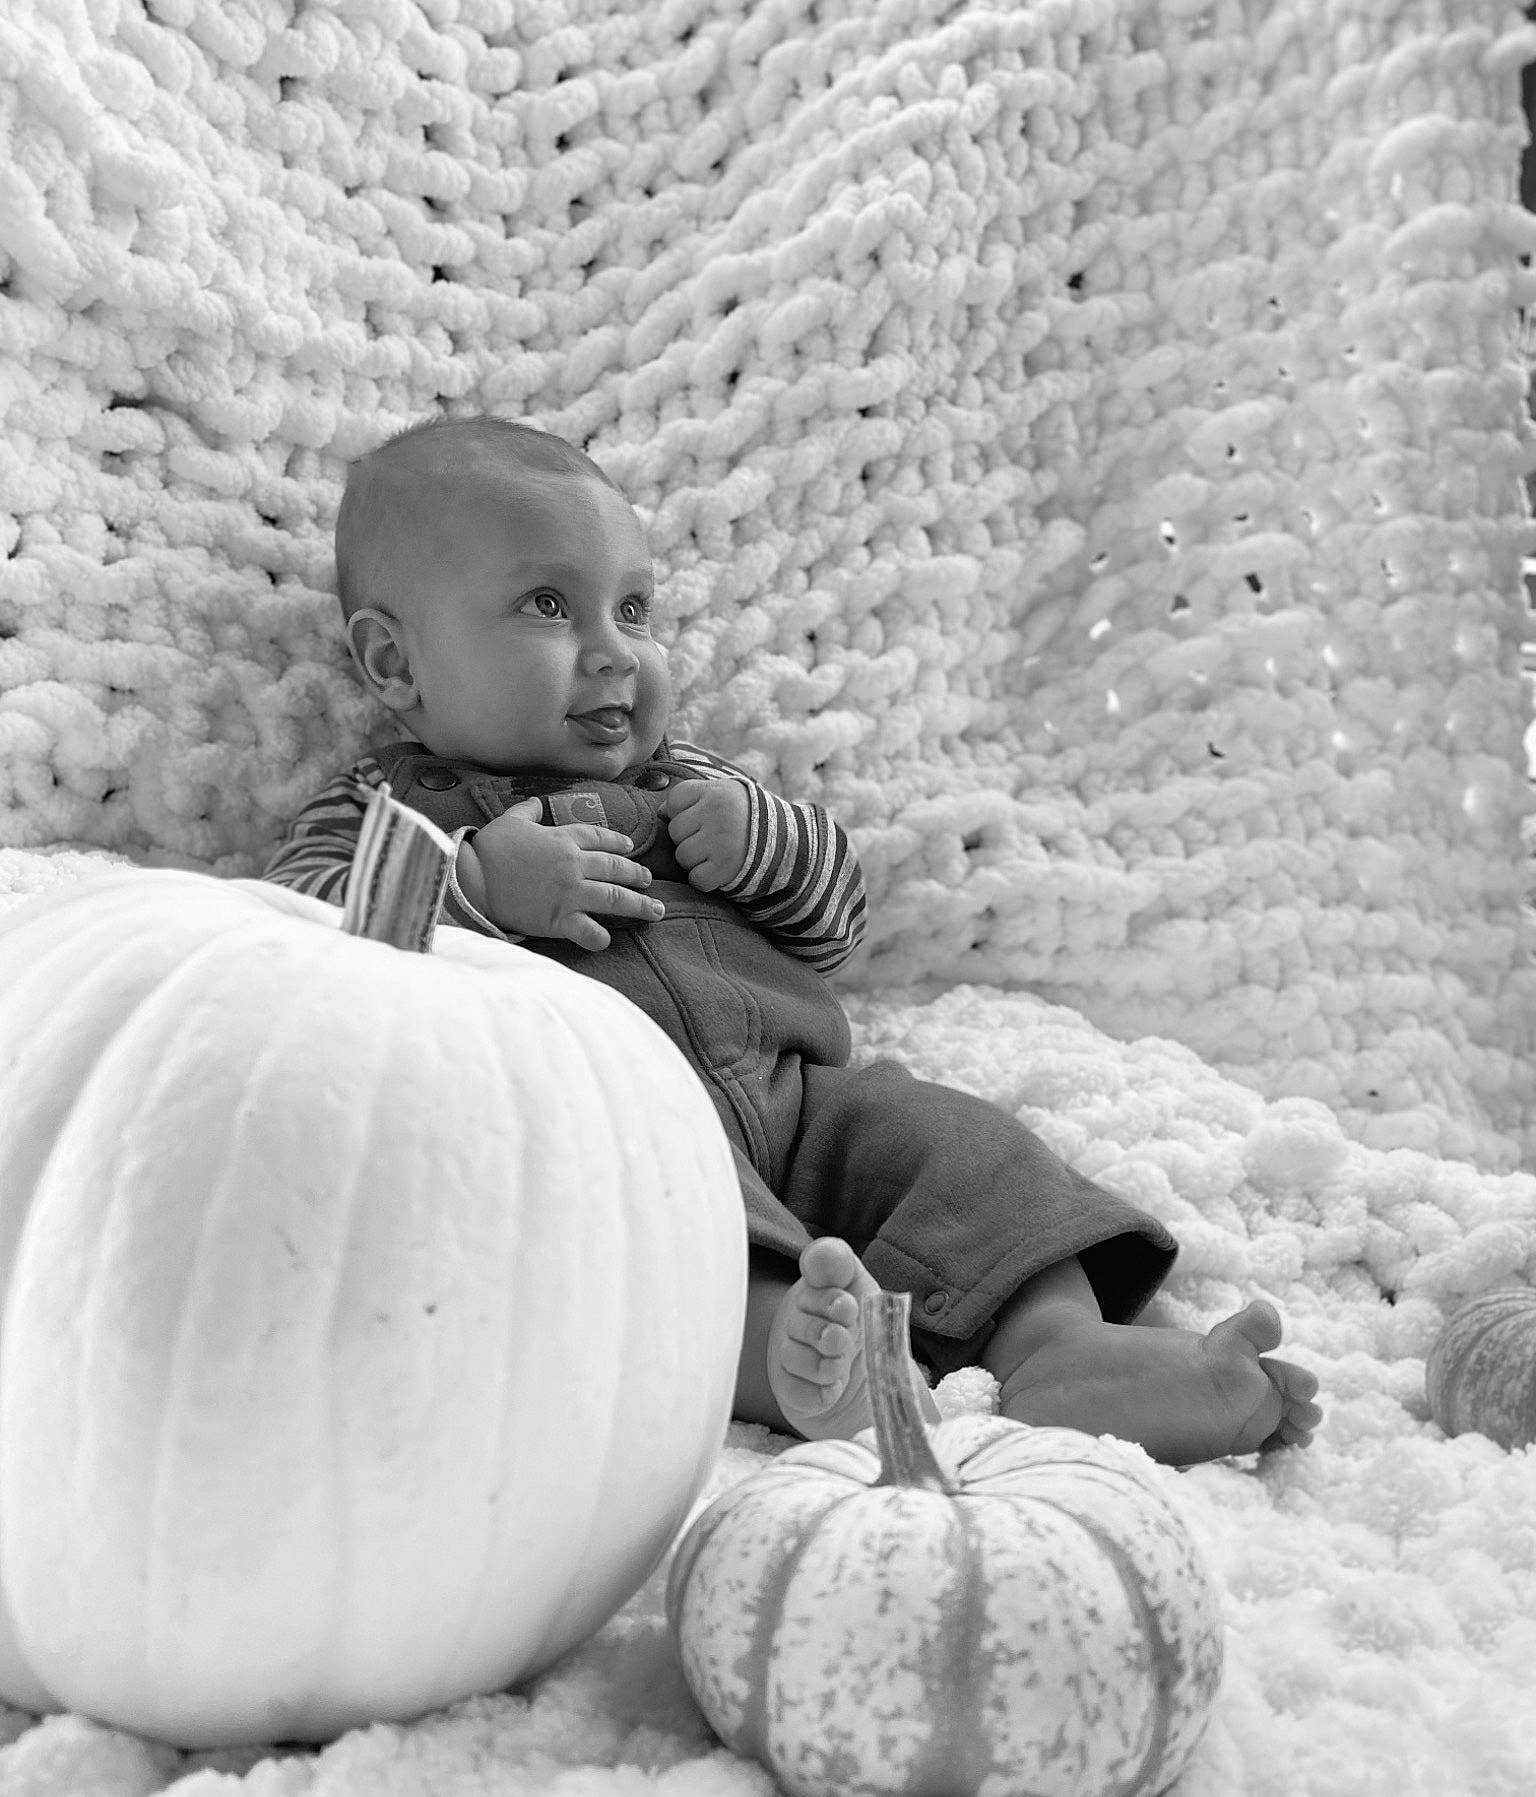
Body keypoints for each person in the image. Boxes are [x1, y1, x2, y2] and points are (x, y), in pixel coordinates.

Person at [264, 415, 1322, 1465]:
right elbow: (308, 944)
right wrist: (481, 888)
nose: (613, 651)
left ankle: (1063, 1344)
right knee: (651, 1222)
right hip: (615, 1113)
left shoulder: (685, 781)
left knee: (960, 1148)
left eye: (633, 608)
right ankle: (785, 1353)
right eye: (549, 605)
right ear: (396, 664)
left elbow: (837, 923)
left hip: (801, 1095)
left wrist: (762, 845)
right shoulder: (385, 811)